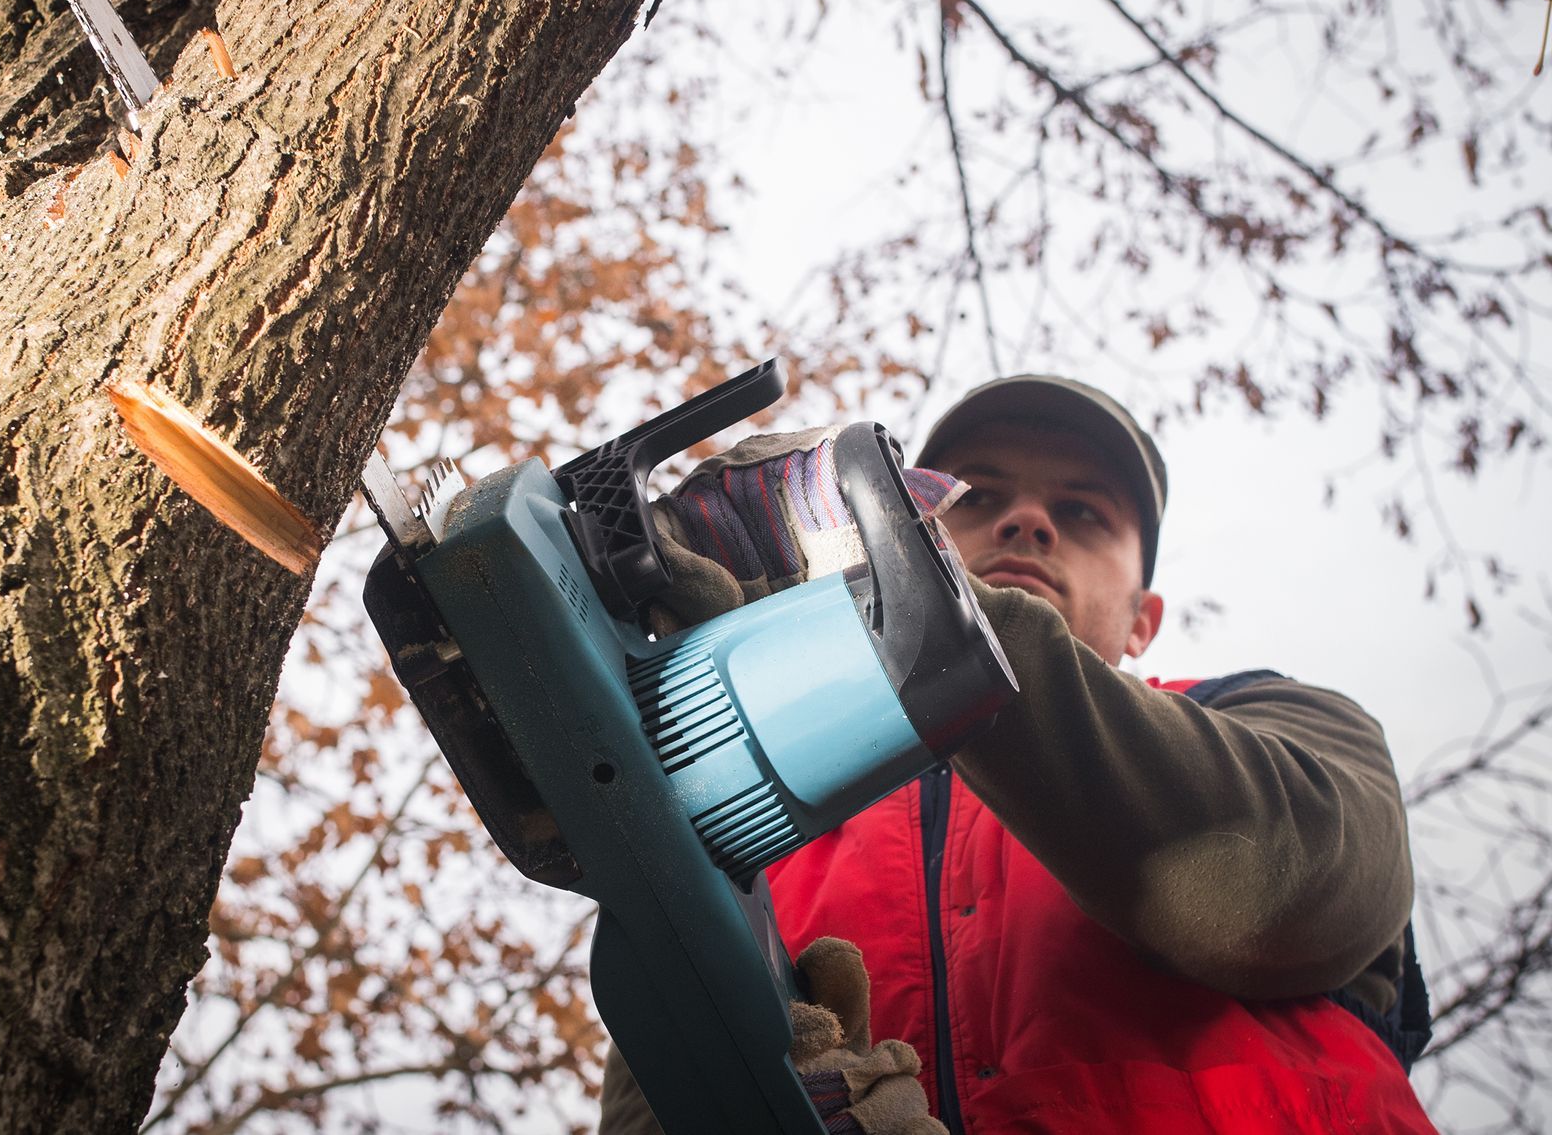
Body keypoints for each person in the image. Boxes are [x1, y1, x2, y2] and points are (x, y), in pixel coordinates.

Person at [599, 375, 1437, 1134]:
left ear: (1143, 619)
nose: (1026, 520)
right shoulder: (760, 800)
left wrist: (930, 616)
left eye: (1083, 511)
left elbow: (1264, 895)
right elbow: (656, 1090)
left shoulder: (1277, 723)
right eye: (980, 494)